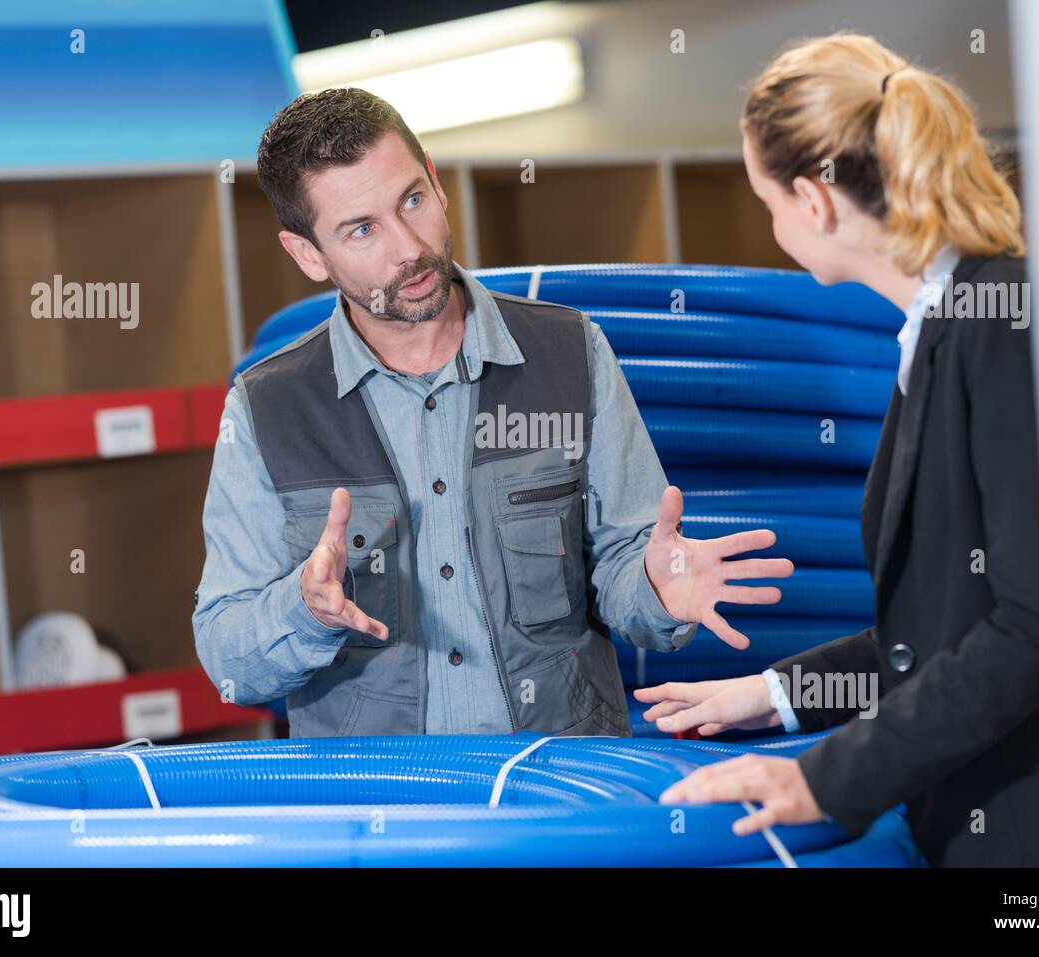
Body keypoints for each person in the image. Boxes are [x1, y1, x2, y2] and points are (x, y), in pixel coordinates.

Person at [191, 88, 794, 739]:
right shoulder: (266, 408)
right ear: (309, 254)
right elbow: (227, 658)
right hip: (384, 814)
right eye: (362, 229)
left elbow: (623, 561)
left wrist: (655, 586)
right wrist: (303, 610)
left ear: (437, 182)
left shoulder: (570, 352)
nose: (408, 247)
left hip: (563, 797)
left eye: (412, 200)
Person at [637, 33, 1039, 866]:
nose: (770, 224)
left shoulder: (1001, 321)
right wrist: (766, 695)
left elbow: (1037, 624)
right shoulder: (946, 328)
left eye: (765, 200)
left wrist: (823, 781)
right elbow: (943, 629)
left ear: (816, 201)